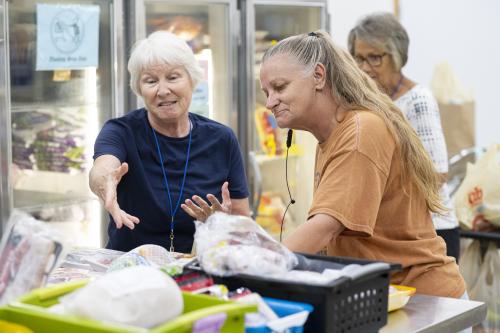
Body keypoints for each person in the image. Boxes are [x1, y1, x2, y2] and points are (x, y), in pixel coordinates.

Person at [258, 30, 466, 299]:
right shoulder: (333, 135)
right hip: (386, 295)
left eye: (280, 87)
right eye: (266, 92)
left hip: (422, 299)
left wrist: (260, 266)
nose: (269, 102)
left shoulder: (360, 131)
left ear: (319, 76)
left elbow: (326, 226)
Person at [90, 31, 250, 253]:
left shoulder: (222, 139)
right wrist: (105, 182)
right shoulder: (121, 131)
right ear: (139, 89)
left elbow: (243, 221)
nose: (163, 91)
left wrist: (220, 225)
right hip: (130, 270)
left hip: (197, 271)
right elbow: (103, 166)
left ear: (192, 79)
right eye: (151, 81)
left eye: (173, 77)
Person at [347, 12, 461, 262]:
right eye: (358, 58)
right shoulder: (369, 102)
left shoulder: (417, 100)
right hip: (394, 234)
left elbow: (437, 174)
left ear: (397, 57)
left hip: (431, 232)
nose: (365, 68)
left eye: (374, 58)